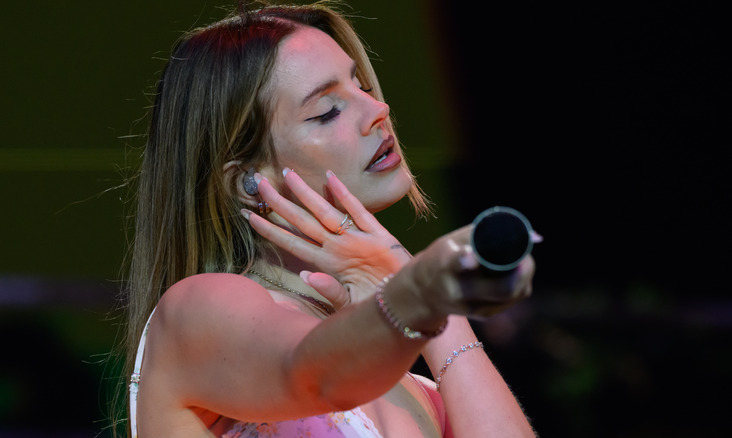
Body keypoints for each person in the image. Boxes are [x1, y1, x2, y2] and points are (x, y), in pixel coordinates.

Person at [115, 1, 537, 436]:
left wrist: (442, 321)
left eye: (363, 87)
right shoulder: (198, 312)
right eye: (327, 111)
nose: (379, 110)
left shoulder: (419, 391)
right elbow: (315, 375)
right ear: (248, 180)